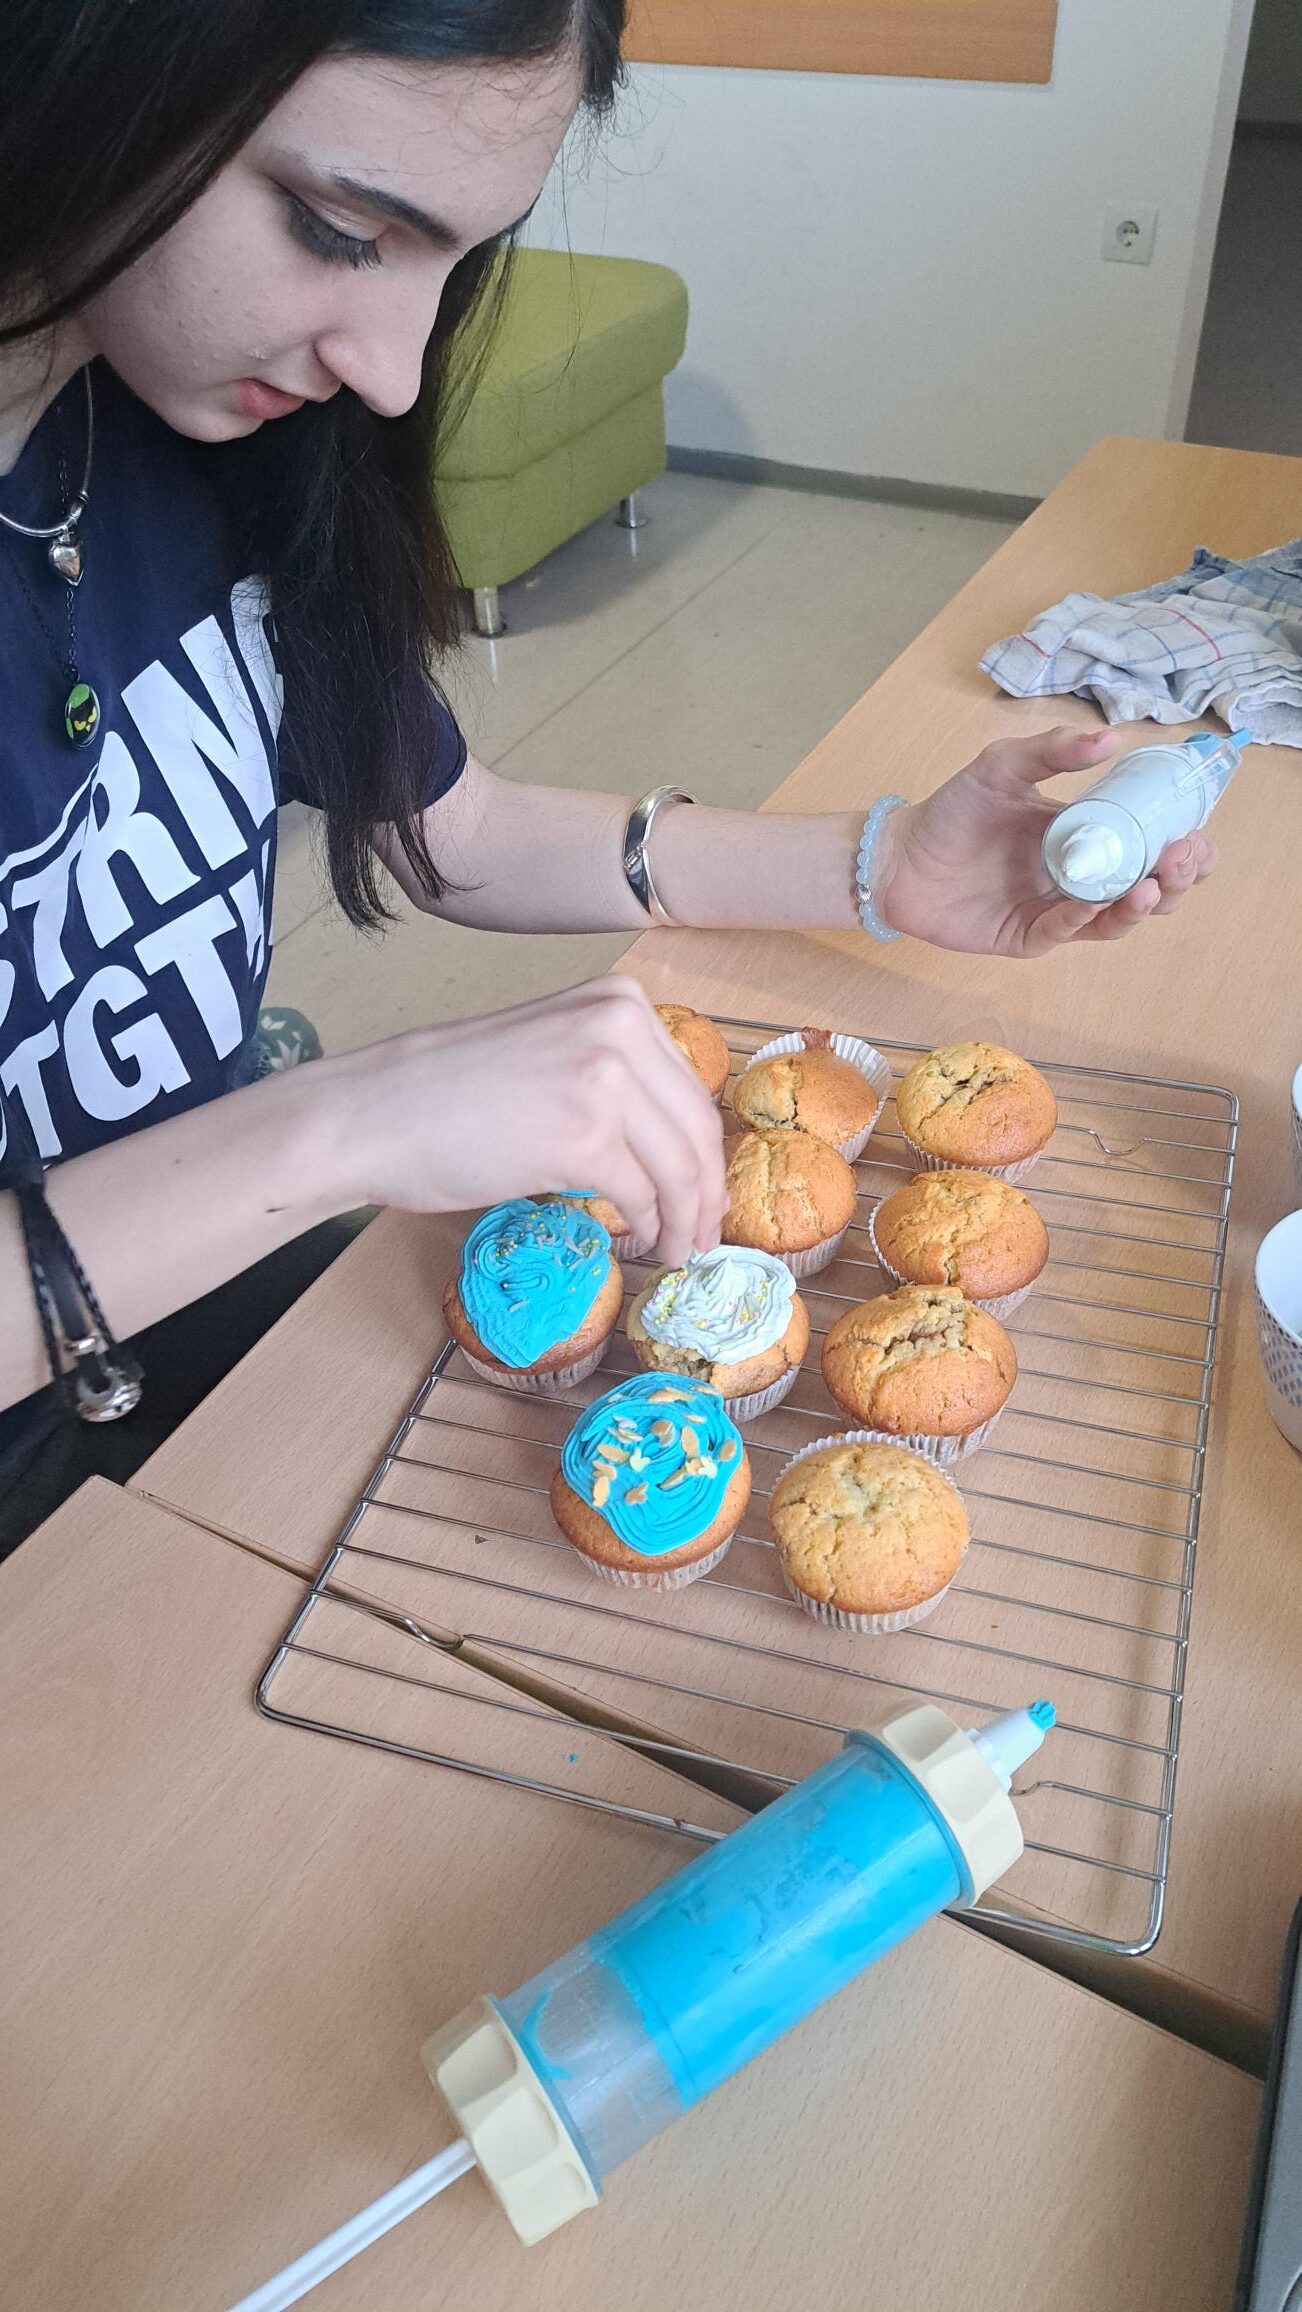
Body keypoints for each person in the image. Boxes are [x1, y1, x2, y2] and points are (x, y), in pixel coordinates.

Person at [0, 0, 1214, 1548]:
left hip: (201, 1287)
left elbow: (456, 827)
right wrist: (335, 1122)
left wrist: (878, 864)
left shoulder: (184, 429)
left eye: (456, 263)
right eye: (335, 230)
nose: (393, 373)